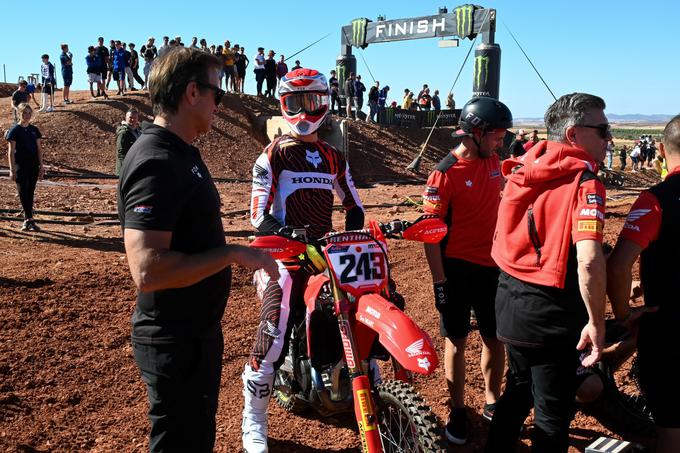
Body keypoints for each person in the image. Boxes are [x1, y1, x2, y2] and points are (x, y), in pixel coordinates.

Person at [117, 47, 278, 453]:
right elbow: (147, 270)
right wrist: (232, 254)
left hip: (195, 333)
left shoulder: (182, 151)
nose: (219, 105)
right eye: (216, 94)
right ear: (192, 92)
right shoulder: (155, 159)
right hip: (173, 339)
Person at [242, 68, 364, 453]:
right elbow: (257, 213)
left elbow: (355, 206)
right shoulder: (272, 154)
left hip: (324, 251)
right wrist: (290, 231)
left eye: (311, 102)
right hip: (282, 254)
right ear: (284, 105)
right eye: (295, 103)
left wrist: (352, 233)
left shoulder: (333, 156)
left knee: (362, 299)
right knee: (275, 328)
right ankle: (254, 420)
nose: (304, 111)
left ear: (324, 104)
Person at [485, 93, 610, 453]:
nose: (609, 138)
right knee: (552, 417)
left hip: (509, 302)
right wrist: (596, 322)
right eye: (602, 129)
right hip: (551, 313)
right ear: (573, 135)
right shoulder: (586, 183)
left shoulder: (523, 167)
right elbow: (588, 259)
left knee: (518, 389)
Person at [424, 97, 511, 445]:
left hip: (493, 269)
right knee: (457, 341)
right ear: (475, 132)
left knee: (495, 337)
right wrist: (439, 282)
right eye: (496, 135)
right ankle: (457, 410)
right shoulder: (444, 172)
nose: (501, 141)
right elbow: (430, 234)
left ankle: (493, 402)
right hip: (457, 270)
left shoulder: (495, 162)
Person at [607, 114, 680, 453]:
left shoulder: (655, 200)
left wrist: (624, 315)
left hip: (668, 326)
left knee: (669, 423)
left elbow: (617, 266)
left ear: (662, 151)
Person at [6, 103, 44, 232]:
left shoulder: (34, 130)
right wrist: (12, 169)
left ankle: (28, 220)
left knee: (30, 191)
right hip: (20, 165)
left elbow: (39, 149)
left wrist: (41, 166)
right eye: (24, 113)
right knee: (23, 191)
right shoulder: (14, 130)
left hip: (33, 164)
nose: (27, 116)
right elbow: (11, 152)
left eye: (29, 113)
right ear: (19, 114)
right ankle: (29, 219)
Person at [115, 108, 141, 176]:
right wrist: (125, 168)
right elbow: (121, 153)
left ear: (138, 118)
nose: (133, 119)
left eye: (135, 117)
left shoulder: (138, 131)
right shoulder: (123, 132)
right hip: (126, 170)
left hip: (135, 166)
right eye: (130, 117)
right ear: (126, 118)